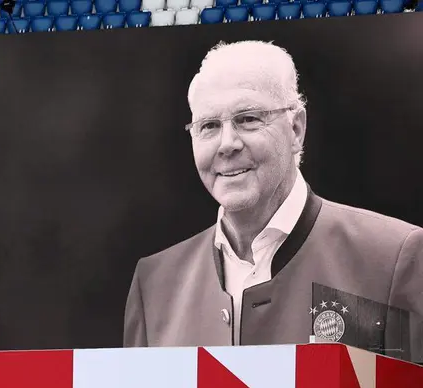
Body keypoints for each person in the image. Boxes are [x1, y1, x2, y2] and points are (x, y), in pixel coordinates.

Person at [123, 40, 423, 360]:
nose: (227, 144)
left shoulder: (391, 259)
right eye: (209, 126)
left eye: (248, 118)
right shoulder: (154, 284)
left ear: (296, 129)